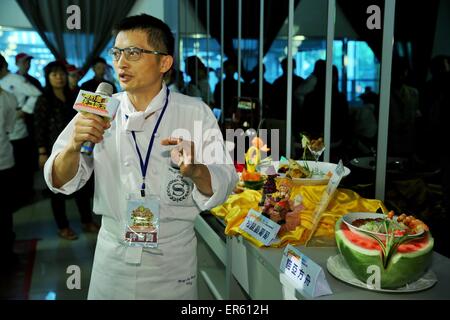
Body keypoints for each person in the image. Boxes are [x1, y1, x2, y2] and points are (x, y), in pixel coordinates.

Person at [43, 14, 237, 299]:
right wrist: (73, 145)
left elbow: (225, 183)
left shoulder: (194, 112)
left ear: (164, 62)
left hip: (171, 260)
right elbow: (58, 180)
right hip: (112, 254)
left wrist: (196, 171)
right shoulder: (99, 109)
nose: (121, 62)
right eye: (117, 52)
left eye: (134, 53)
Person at [34, 61, 98, 240]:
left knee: (83, 187)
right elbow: (39, 127)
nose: (59, 77)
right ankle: (63, 226)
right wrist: (41, 152)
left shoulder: (76, 95)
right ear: (48, 77)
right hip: (53, 150)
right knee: (58, 191)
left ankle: (87, 221)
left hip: (79, 148)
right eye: (54, 74)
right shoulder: (44, 98)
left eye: (61, 73)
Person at [0, 54, 42, 201]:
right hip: (4, 128)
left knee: (21, 164)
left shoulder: (15, 79)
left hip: (17, 127)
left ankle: (25, 195)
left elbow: (36, 94)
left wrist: (24, 110)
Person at [0, 85, 18, 269]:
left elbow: (9, 128)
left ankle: (7, 252)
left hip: (4, 160)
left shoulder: (9, 98)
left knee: (5, 211)